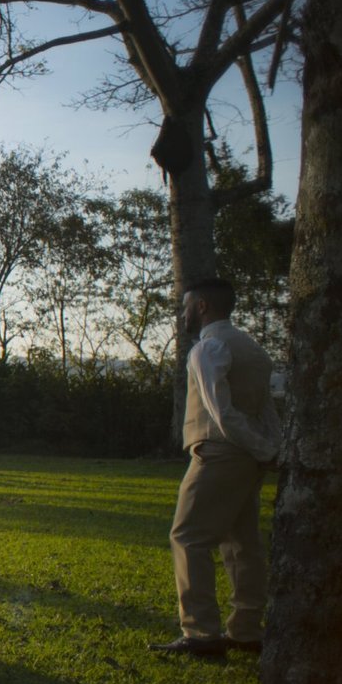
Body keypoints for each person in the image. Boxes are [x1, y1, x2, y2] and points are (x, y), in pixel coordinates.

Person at [149, 278, 280, 656]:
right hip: (248, 459)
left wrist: (261, 448)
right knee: (242, 542)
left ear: (202, 306)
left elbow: (221, 413)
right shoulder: (253, 349)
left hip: (220, 453)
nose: (183, 314)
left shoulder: (209, 348)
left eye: (186, 306)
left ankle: (200, 633)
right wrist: (270, 449)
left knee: (188, 537)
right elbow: (266, 408)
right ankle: (246, 628)